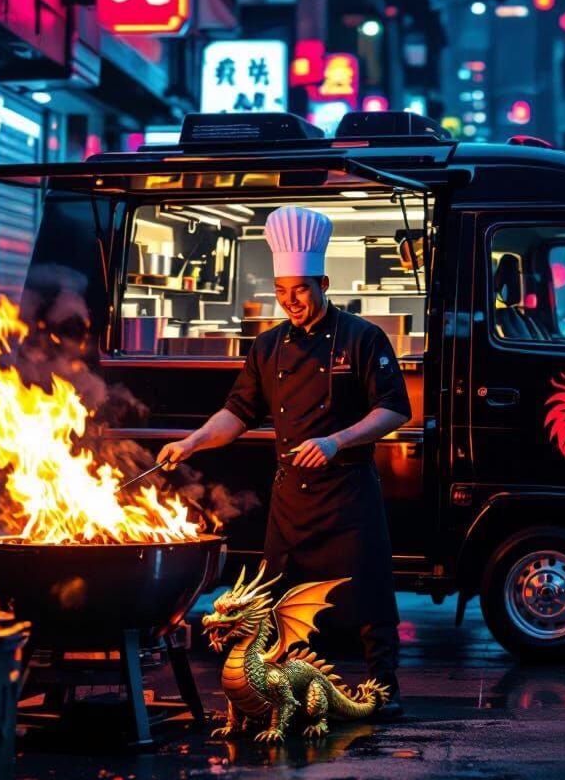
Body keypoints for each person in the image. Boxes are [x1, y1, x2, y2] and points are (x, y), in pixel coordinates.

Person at [158, 205, 412, 715]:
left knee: (370, 596)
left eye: (299, 290)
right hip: (291, 497)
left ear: (322, 281)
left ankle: (384, 689)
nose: (290, 301)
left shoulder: (363, 338)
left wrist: (337, 441)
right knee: (276, 602)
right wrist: (191, 442)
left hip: (347, 492)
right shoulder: (269, 346)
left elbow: (394, 410)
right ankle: (288, 695)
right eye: (281, 291)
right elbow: (237, 413)